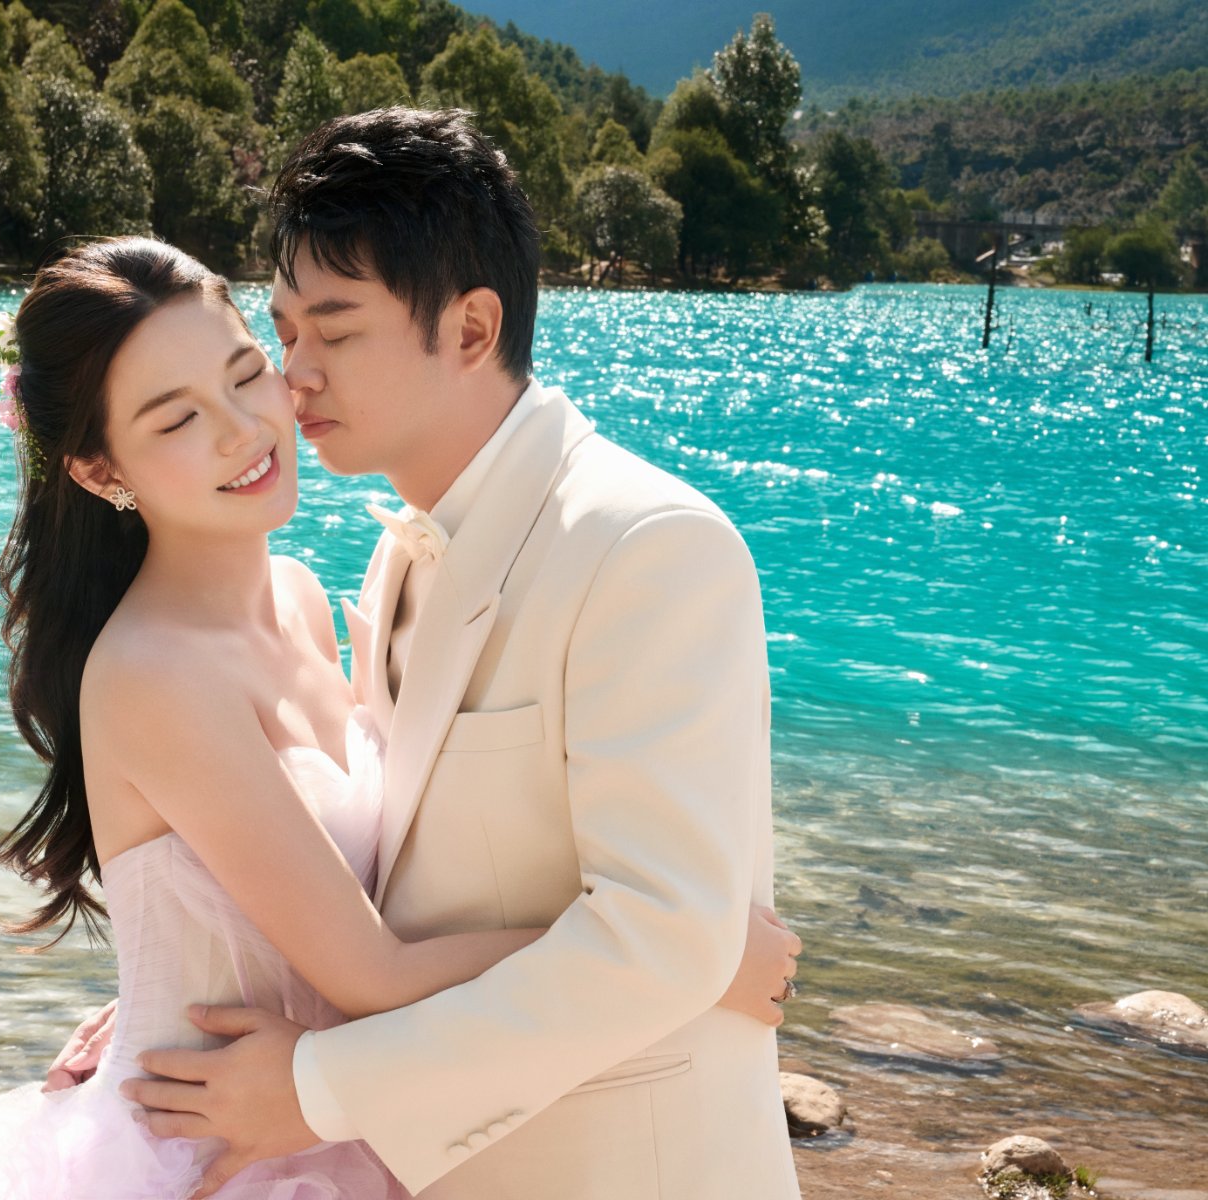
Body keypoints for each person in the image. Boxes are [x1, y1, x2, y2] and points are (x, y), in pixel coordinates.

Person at [0, 230, 798, 1198]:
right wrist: (690, 956)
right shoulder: (153, 674)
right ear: (102, 472)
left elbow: (341, 883)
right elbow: (373, 971)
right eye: (176, 419)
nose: (242, 429)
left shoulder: (302, 596)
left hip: (330, 1115)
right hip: (221, 1142)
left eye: (245, 373)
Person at [100, 108, 806, 1200]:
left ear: (471, 329)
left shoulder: (647, 546)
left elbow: (663, 938)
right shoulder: (400, 555)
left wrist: (317, 1089)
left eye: (335, 333)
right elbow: (372, 881)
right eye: (283, 333)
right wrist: (172, 997)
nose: (294, 378)